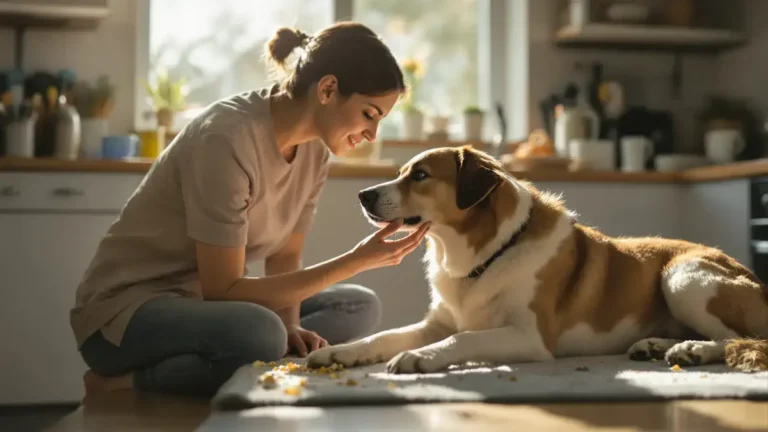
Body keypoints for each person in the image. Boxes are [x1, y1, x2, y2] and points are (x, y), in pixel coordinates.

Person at [71, 21, 429, 398]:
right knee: (259, 332)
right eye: (369, 115)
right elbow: (223, 290)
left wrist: (291, 331)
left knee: (357, 306)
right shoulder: (227, 137)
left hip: (205, 309)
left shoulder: (314, 151)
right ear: (327, 89)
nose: (372, 135)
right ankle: (122, 385)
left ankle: (262, 361)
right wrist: (355, 260)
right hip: (126, 314)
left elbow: (285, 255)